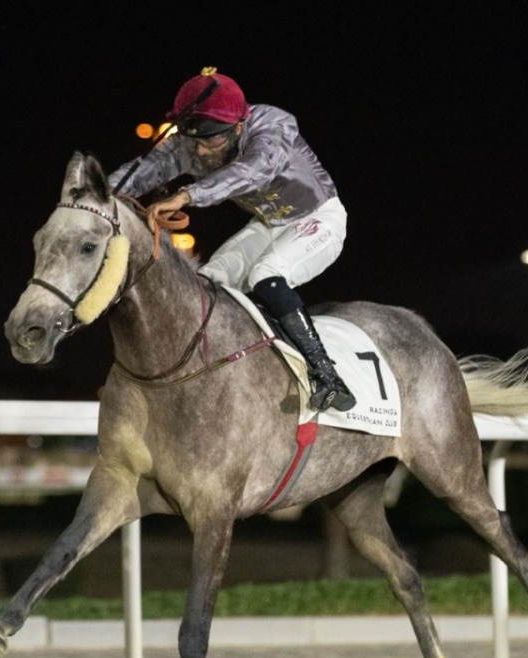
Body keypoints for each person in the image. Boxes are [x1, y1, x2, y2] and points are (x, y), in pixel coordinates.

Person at [109, 66, 356, 412]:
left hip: (320, 217)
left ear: (238, 127)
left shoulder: (274, 124)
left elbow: (254, 170)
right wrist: (96, 198)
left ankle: (329, 378)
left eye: (213, 141)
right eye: (194, 141)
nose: (203, 152)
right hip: (270, 223)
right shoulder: (195, 145)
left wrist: (186, 196)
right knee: (207, 282)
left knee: (265, 276)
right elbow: (142, 170)